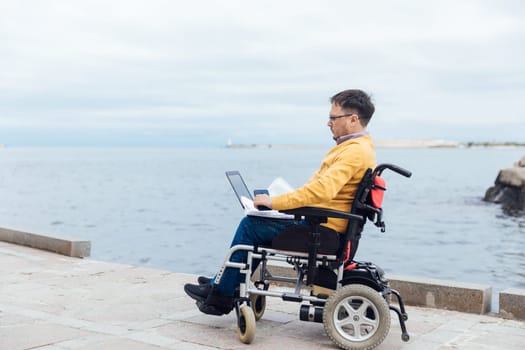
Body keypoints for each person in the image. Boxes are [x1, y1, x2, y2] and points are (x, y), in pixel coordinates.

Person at [184, 89, 377, 315]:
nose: (328, 123)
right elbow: (320, 192)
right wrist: (280, 204)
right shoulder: (356, 148)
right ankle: (223, 282)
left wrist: (275, 202)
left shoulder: (353, 152)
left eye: (333, 118)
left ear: (353, 119)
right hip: (324, 222)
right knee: (258, 219)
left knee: (251, 225)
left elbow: (321, 192)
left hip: (323, 230)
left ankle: (221, 296)